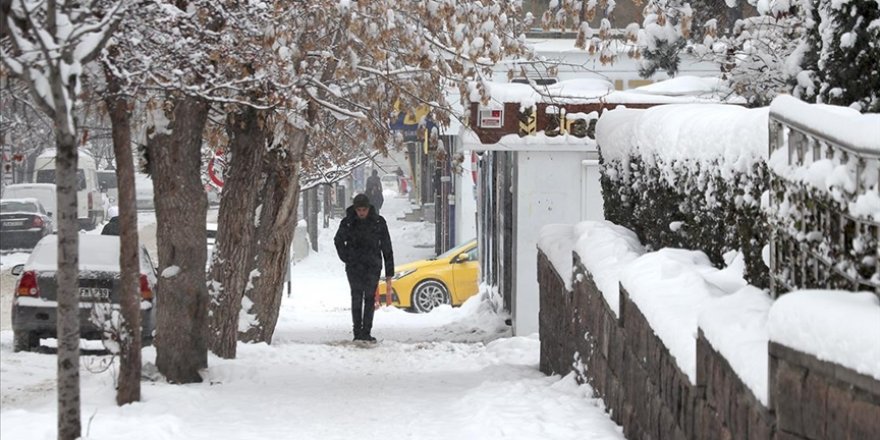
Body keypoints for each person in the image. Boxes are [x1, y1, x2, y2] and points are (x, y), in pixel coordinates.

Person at [334, 194, 394, 343]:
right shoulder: (348, 222)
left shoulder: (378, 222)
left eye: (364, 209)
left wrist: (389, 271)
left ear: (368, 209)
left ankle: (366, 331)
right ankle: (357, 332)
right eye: (359, 209)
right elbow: (338, 240)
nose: (361, 213)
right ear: (355, 209)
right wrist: (346, 257)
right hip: (354, 266)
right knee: (356, 297)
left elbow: (386, 245)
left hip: (372, 265)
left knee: (369, 298)